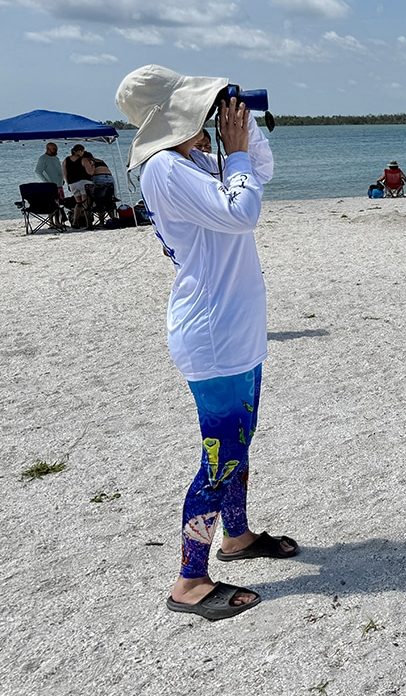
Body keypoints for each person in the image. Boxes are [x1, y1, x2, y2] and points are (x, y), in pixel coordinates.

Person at [115, 64, 296, 621]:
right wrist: (234, 154)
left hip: (234, 327)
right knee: (218, 458)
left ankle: (236, 537)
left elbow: (259, 171)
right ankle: (189, 580)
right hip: (213, 332)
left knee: (239, 442)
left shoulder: (192, 161)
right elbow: (242, 212)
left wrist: (243, 135)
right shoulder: (165, 169)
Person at [34, 142, 66, 227]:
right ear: (48, 149)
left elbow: (59, 170)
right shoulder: (43, 158)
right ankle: (52, 223)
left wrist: (62, 179)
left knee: (60, 204)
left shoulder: (56, 158)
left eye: (56, 149)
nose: (56, 150)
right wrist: (46, 182)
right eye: (54, 149)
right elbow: (38, 171)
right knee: (52, 205)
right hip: (50, 186)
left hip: (59, 185)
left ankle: (59, 222)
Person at [62, 144, 93, 227]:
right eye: (82, 150)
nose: (83, 152)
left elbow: (65, 173)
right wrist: (92, 166)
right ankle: (88, 223)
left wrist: (68, 183)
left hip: (72, 184)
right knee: (86, 203)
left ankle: (75, 222)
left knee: (78, 203)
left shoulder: (66, 160)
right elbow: (90, 172)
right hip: (84, 183)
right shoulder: (83, 159)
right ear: (79, 151)